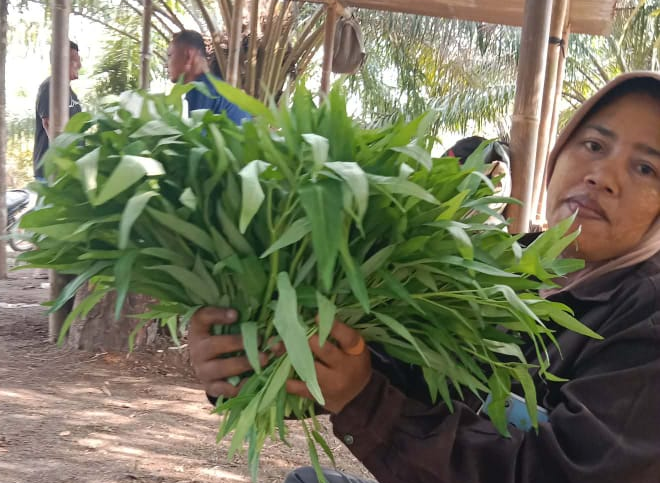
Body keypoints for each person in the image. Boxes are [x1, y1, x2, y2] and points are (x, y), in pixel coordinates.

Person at [188, 72, 660, 483]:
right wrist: (249, 361)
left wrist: (364, 400)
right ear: (561, 152)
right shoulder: (503, 267)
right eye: (594, 145)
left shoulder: (647, 320)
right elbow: (395, 362)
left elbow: (558, 473)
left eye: (646, 168)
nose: (603, 176)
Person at [167, 30, 249, 125]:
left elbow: (198, 132)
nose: (167, 64)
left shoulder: (201, 89)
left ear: (188, 56)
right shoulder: (217, 87)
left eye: (170, 56)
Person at [33, 40, 82, 181]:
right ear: (61, 62)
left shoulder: (71, 94)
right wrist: (63, 164)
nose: (80, 65)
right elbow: (49, 125)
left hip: (67, 172)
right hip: (52, 173)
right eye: (75, 60)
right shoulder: (50, 86)